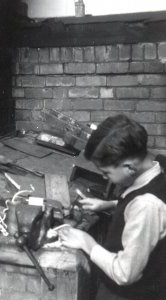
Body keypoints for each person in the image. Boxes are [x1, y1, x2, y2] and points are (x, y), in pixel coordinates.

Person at [58, 114, 166, 300]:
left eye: (106, 173)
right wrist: (110, 204)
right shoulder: (157, 170)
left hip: (126, 294)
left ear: (129, 168)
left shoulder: (146, 205)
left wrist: (87, 243)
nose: (105, 178)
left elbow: (125, 273)